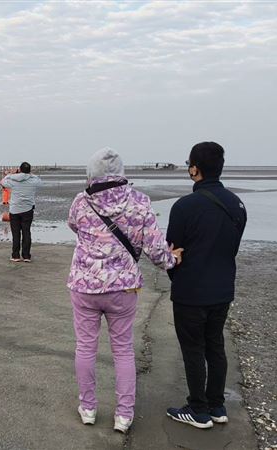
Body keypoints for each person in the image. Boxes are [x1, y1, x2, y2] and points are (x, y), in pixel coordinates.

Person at [67, 147, 183, 433]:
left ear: (91, 172)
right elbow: (157, 249)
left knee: (85, 346)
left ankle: (88, 408)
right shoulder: (140, 201)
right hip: (123, 287)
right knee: (122, 350)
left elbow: (74, 226)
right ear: (121, 172)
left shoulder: (81, 202)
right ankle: (124, 415)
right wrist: (173, 260)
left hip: (85, 285)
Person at [165, 142, 247, 429]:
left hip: (191, 290)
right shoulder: (237, 204)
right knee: (215, 345)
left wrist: (177, 275)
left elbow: (172, 252)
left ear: (194, 168)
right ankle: (217, 405)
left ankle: (198, 409)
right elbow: (232, 247)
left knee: (193, 349)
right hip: (223, 288)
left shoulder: (185, 206)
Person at [0, 162, 41, 262]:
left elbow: (3, 181)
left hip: (15, 210)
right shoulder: (33, 181)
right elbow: (40, 181)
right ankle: (26, 256)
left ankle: (15, 255)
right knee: (26, 232)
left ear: (20, 169)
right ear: (29, 170)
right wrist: (30, 174)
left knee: (16, 233)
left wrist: (11, 174)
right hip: (28, 209)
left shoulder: (14, 181)